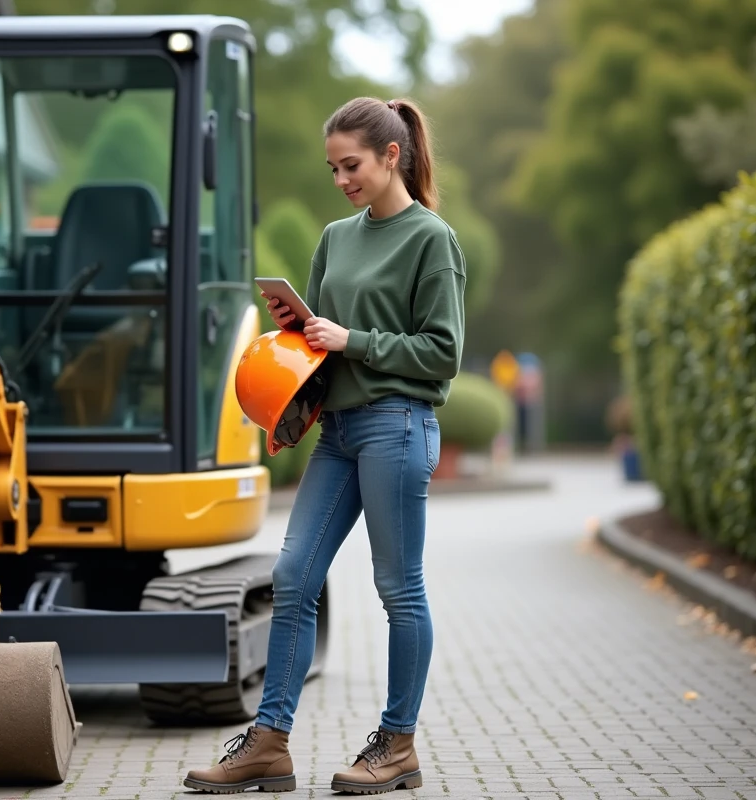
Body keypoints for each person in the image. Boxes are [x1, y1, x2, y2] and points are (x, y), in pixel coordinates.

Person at [182, 96, 466, 796]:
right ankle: (269, 743)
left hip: (397, 425)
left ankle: (397, 745)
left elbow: (443, 353)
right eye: (333, 168)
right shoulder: (337, 238)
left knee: (398, 588)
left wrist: (353, 339)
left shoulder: (432, 239)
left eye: (353, 165)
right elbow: (318, 353)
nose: (341, 180)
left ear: (391, 156)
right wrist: (299, 338)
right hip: (336, 433)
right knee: (293, 577)